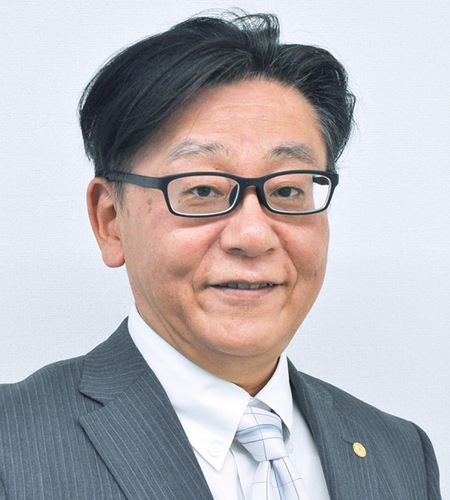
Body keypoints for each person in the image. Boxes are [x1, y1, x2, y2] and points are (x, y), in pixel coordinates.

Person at [0, 12, 441, 500]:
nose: (253, 235)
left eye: (288, 190)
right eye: (204, 190)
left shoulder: (401, 454)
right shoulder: (12, 443)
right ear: (110, 220)